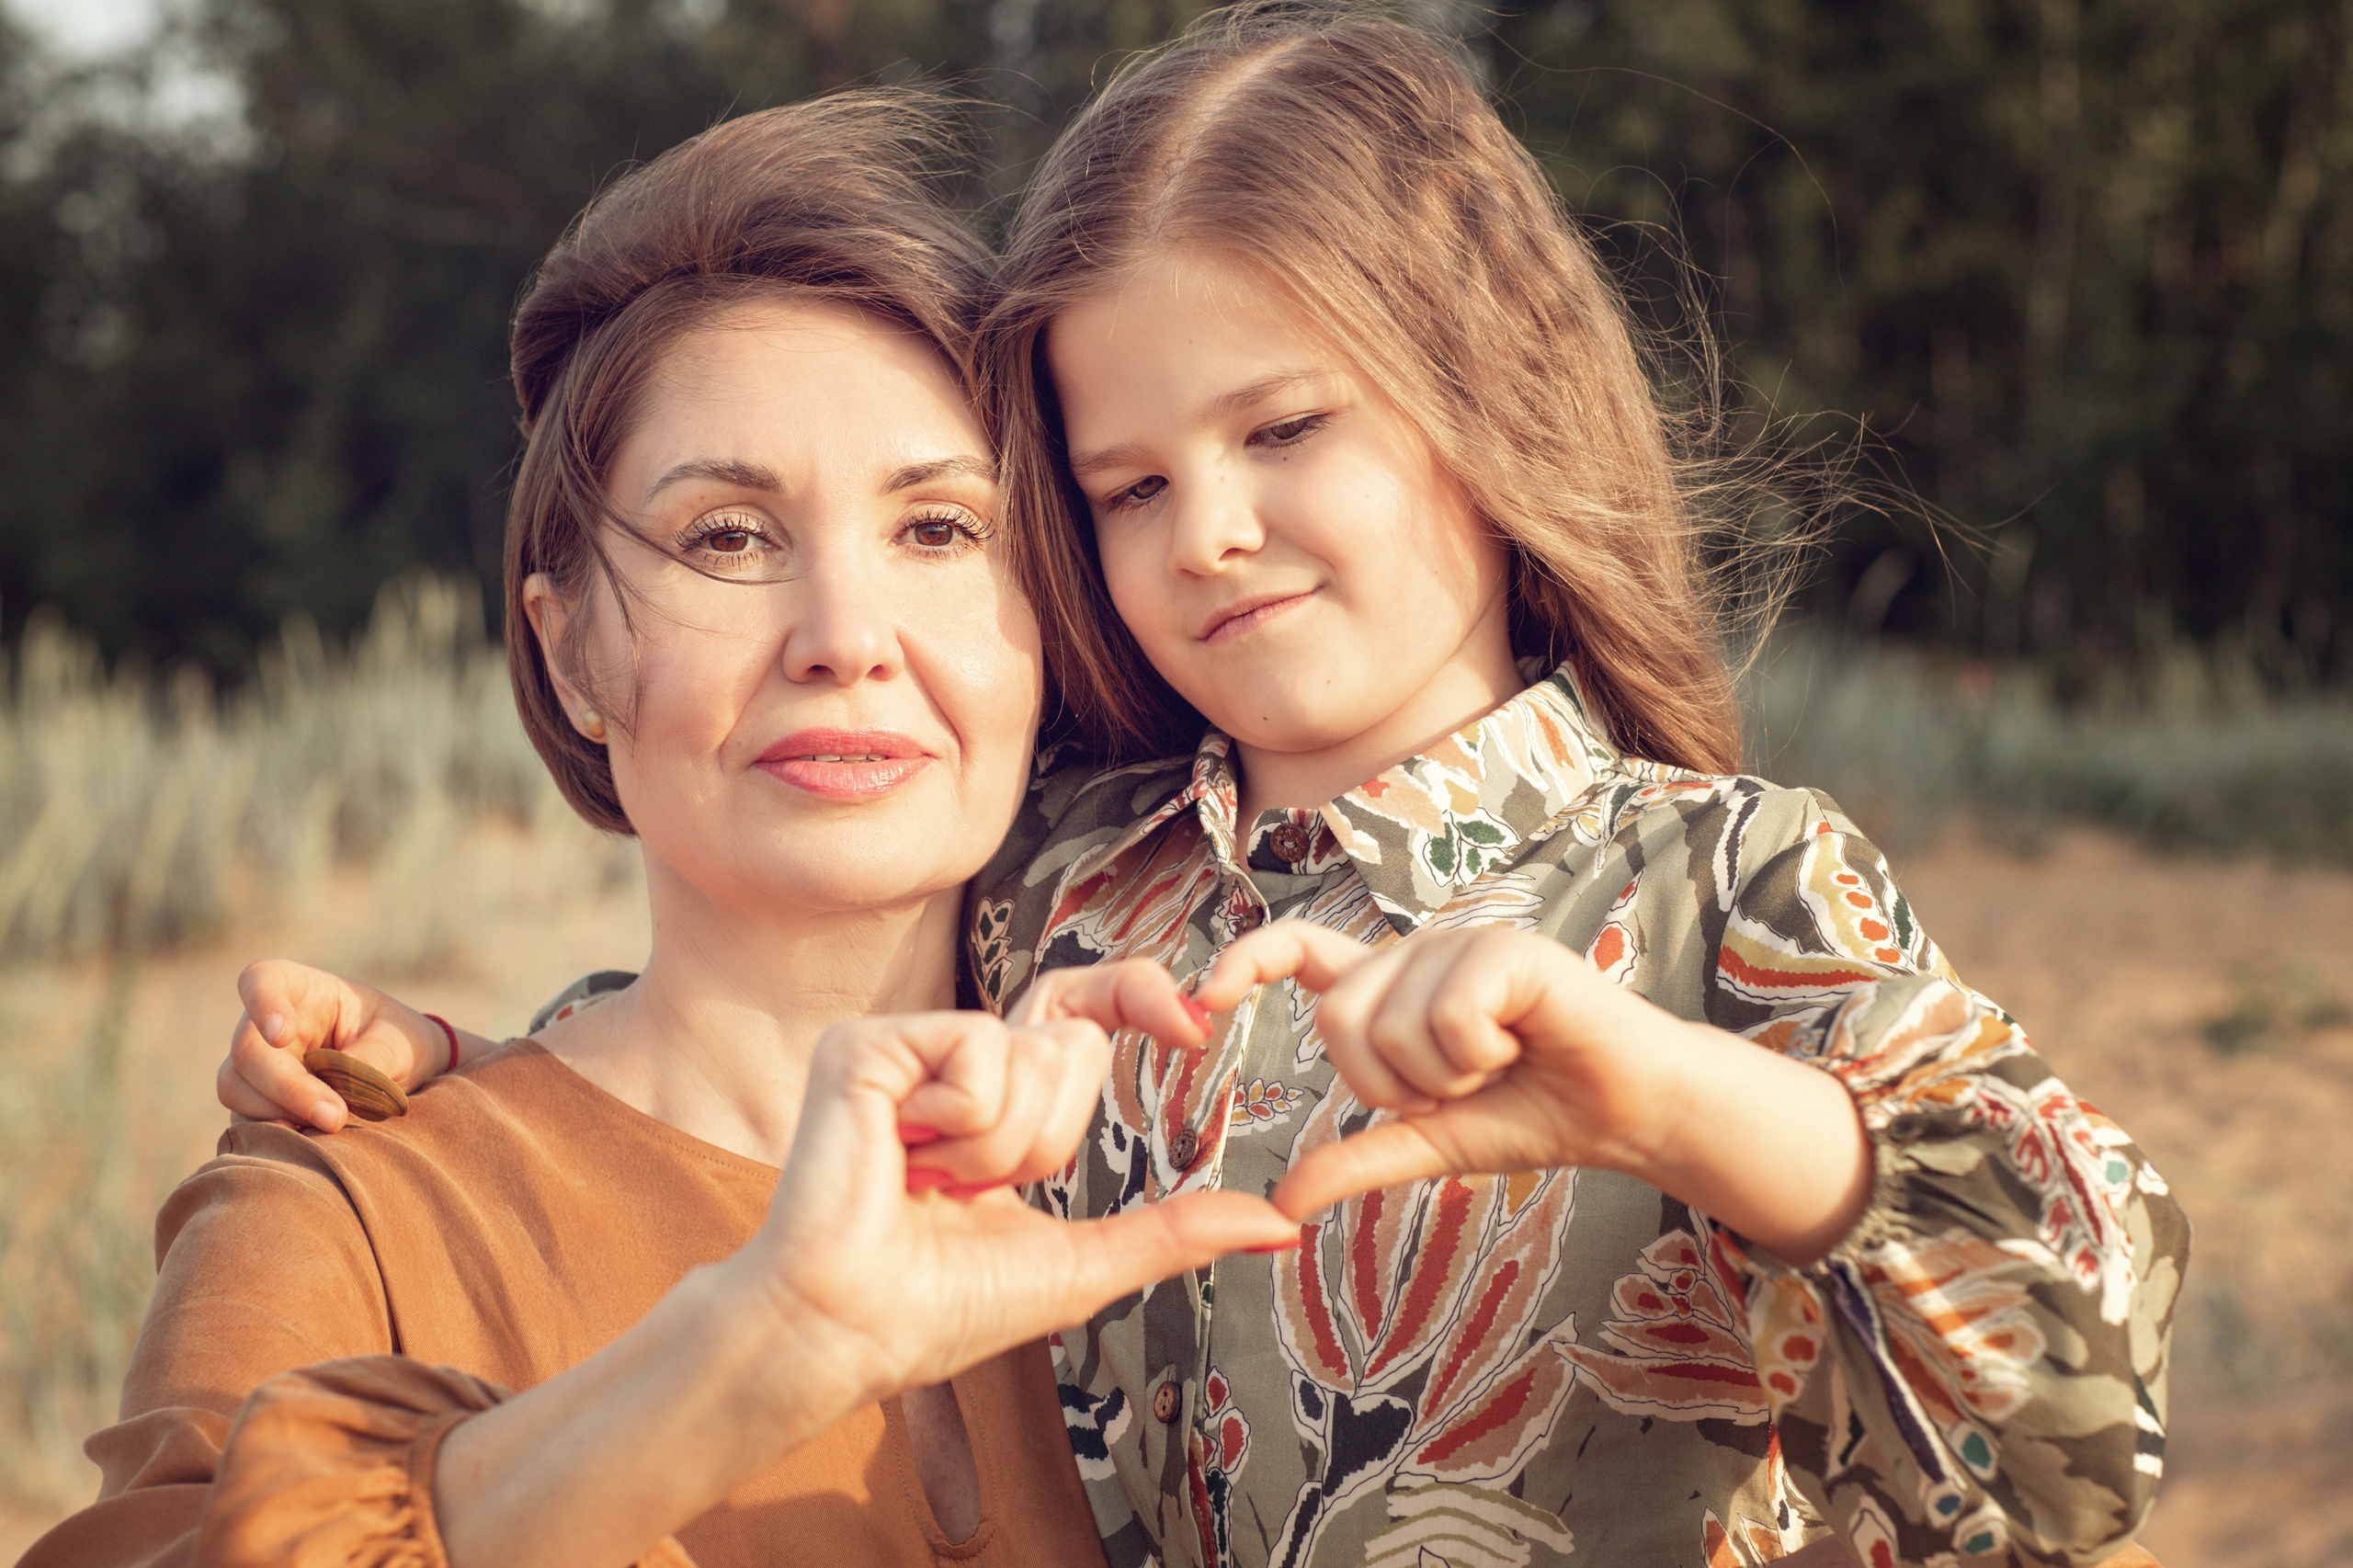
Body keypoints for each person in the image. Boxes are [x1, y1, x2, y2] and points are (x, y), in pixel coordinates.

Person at [222, 7, 2188, 1567]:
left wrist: (1667, 1100)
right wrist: (458, 1067)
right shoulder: (1071, 879)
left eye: (1282, 428)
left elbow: (2081, 1418)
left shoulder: (1717, 884)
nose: (1211, 532)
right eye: (1127, 486)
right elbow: (758, 1064)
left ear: (1483, 399)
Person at [26, 92, 1302, 1568]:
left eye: (941, 528)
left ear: (1047, 616)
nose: (846, 637)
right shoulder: (348, 1207)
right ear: (571, 655)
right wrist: (749, 1350)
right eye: (728, 537)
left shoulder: (1193, 1165)